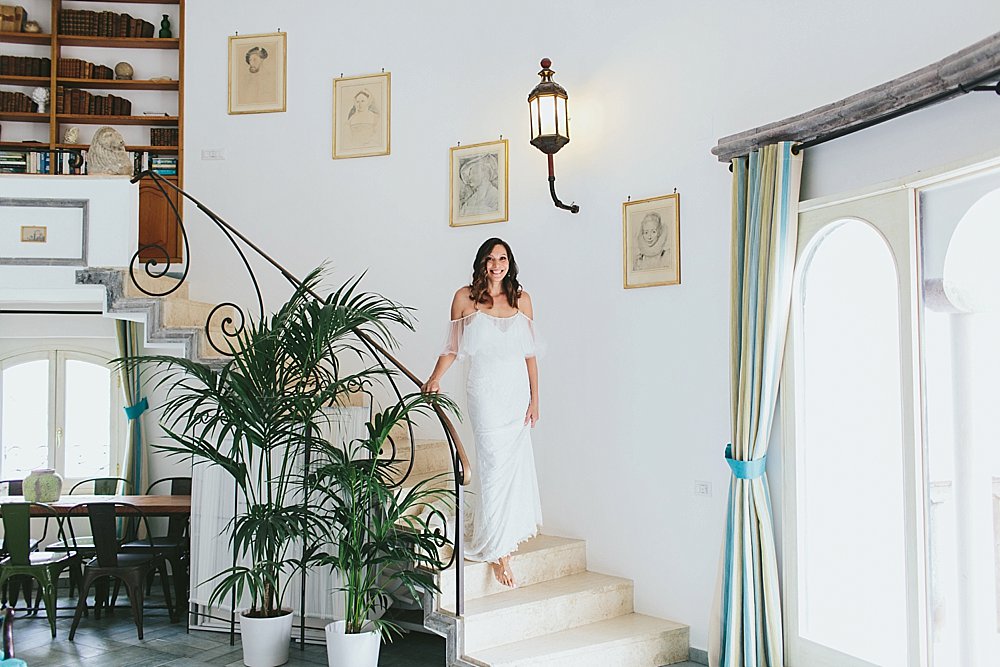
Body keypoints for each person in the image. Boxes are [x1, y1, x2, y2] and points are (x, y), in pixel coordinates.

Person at [422, 238, 542, 588]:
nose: (496, 264)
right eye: (490, 258)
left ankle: (503, 538)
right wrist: (435, 377)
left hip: (516, 393)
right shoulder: (464, 298)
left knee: (510, 470)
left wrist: (535, 399)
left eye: (502, 258)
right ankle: (500, 553)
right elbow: (452, 347)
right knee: (490, 466)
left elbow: (530, 354)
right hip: (485, 393)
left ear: (510, 263)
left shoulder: (523, 300)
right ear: (481, 262)